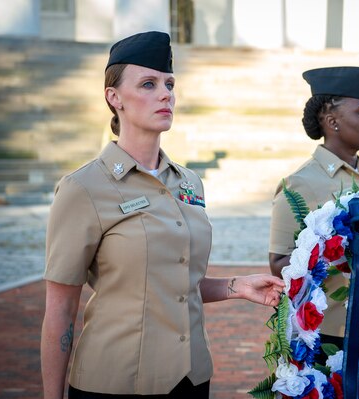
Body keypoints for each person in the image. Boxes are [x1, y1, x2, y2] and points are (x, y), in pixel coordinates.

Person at [40, 31, 285, 399]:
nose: (165, 94)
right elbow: (60, 307)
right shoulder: (83, 188)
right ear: (114, 97)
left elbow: (172, 283)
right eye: (149, 84)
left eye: (169, 84)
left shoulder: (189, 183)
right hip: (114, 383)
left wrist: (237, 286)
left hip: (190, 380)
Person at [269, 66, 359, 398]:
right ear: (331, 121)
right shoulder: (301, 183)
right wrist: (342, 252)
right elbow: (278, 263)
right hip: (334, 334)